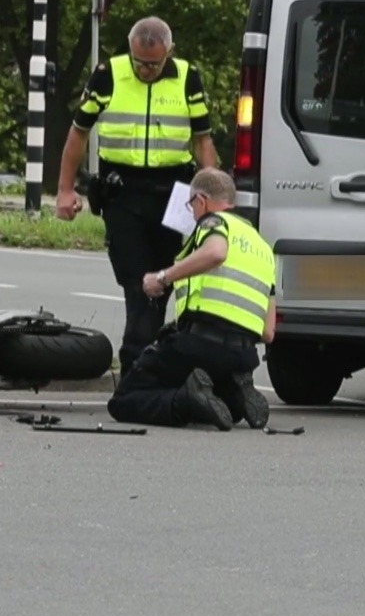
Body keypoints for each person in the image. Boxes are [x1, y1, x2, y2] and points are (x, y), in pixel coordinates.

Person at [55, 16, 220, 374]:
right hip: (123, 192)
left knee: (164, 275)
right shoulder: (108, 74)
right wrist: (65, 190)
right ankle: (136, 358)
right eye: (139, 62)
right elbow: (78, 133)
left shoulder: (187, 77)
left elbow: (203, 141)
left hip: (172, 194)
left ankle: (148, 352)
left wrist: (214, 201)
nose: (145, 70)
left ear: (169, 53)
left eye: (154, 64)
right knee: (135, 277)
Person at [107, 168, 274, 431]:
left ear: (201, 200)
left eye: (191, 206)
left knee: (124, 399)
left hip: (199, 344)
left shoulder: (214, 223)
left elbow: (217, 252)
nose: (193, 213)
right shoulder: (263, 247)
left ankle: (184, 401)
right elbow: (268, 332)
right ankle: (233, 393)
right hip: (243, 355)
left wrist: (162, 277)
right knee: (215, 399)